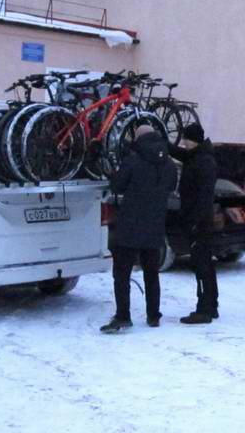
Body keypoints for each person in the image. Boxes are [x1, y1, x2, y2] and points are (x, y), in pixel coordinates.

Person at [101, 126, 177, 334]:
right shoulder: (169, 163)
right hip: (155, 225)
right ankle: (154, 315)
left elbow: (117, 186)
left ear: (138, 139)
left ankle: (123, 315)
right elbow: (171, 187)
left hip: (130, 226)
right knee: (151, 273)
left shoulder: (133, 160)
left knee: (122, 273)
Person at [169, 123, 219, 324]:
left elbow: (204, 197)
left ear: (194, 140)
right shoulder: (199, 155)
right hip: (200, 220)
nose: (183, 143)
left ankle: (204, 310)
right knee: (205, 264)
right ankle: (211, 305)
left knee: (201, 265)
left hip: (200, 222)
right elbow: (182, 155)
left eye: (185, 139)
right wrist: (164, 143)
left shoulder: (204, 162)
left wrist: (195, 222)